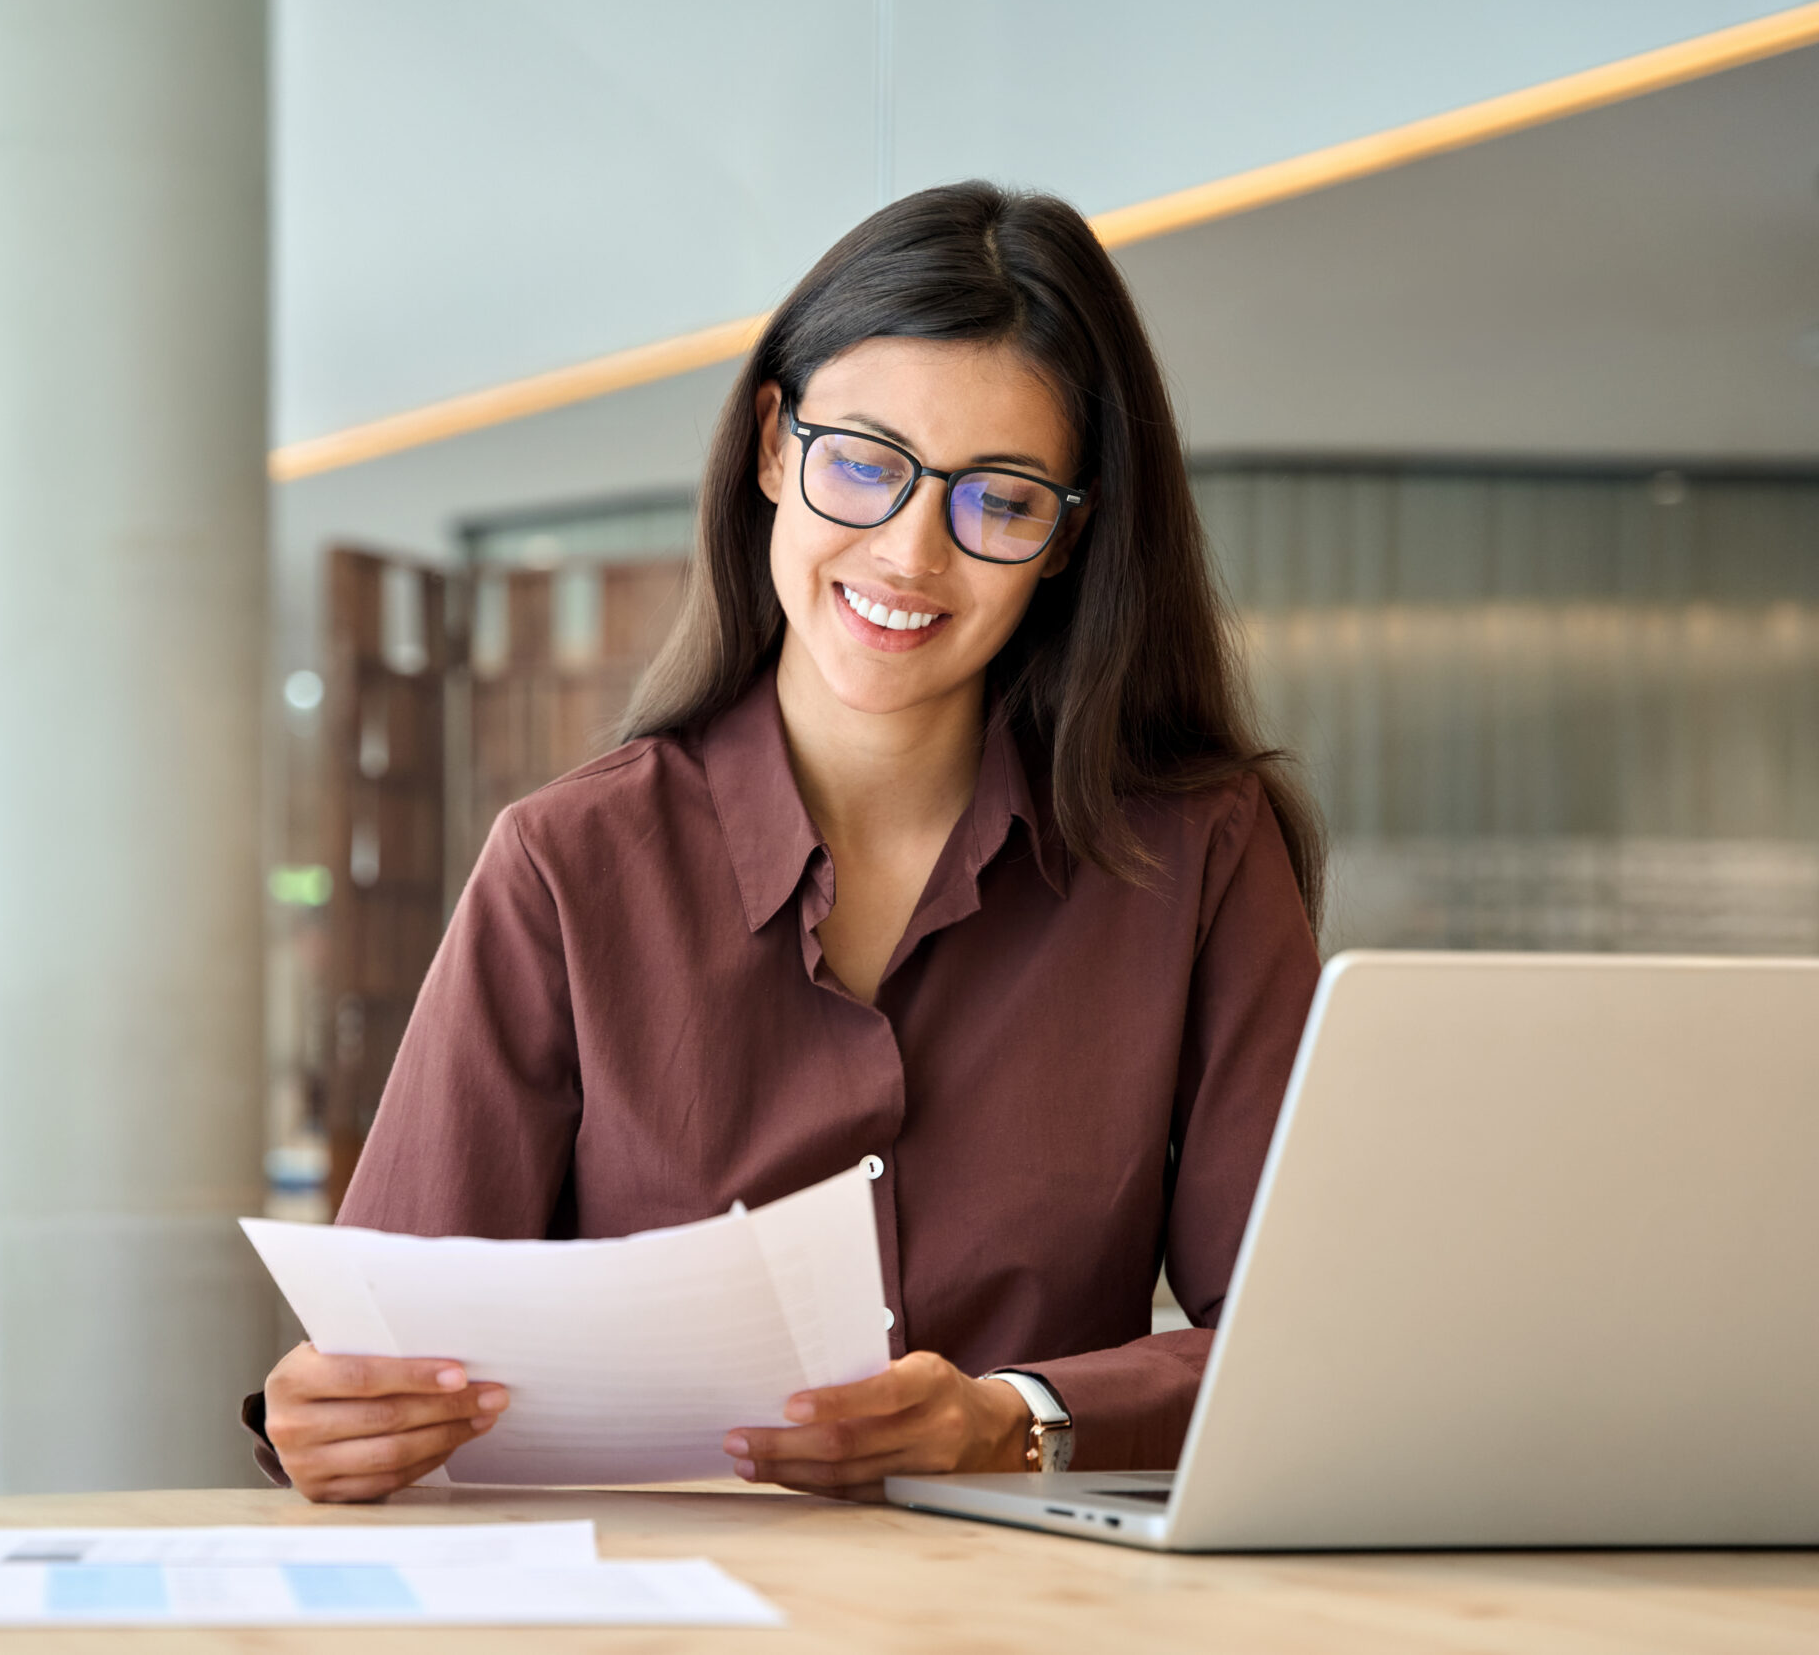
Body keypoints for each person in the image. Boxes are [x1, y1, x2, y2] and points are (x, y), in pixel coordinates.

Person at [251, 180, 1323, 1505]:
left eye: (1000, 497)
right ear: (774, 445)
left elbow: (1301, 1348)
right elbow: (387, 1350)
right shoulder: (569, 867)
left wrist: (1016, 1416)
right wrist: (333, 1414)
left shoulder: (1197, 858)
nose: (913, 553)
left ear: (1069, 536)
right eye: (865, 465)